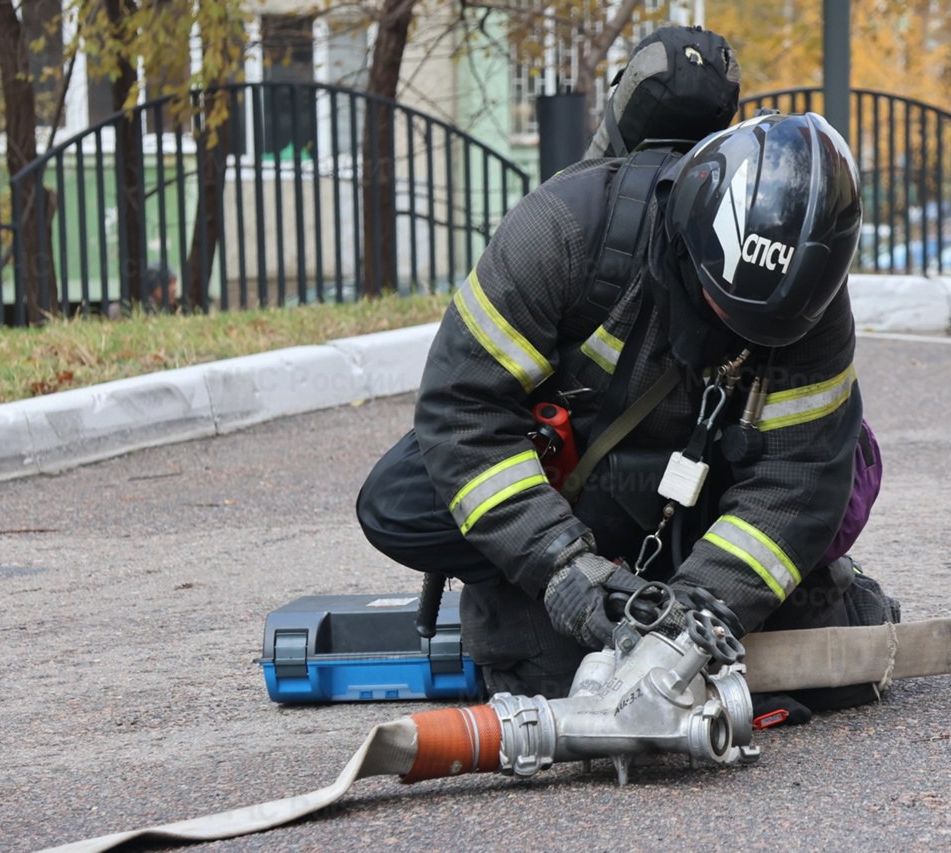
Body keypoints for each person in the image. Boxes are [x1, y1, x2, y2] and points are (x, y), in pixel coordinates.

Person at [356, 112, 899, 718]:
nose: (736, 333)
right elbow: (464, 411)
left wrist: (695, 615)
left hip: (705, 509)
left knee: (827, 673)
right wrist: (561, 565)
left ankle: (813, 596)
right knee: (575, 700)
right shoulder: (562, 231)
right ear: (691, 239)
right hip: (575, 505)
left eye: (760, 327)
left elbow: (796, 479)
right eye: (723, 307)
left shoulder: (812, 307)